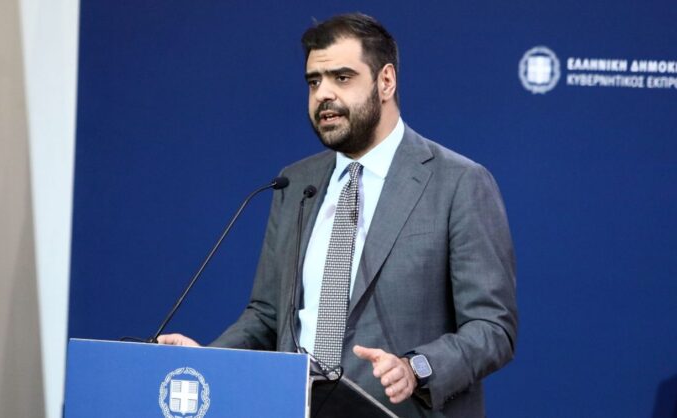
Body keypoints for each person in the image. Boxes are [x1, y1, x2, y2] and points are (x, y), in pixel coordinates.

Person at [159, 13, 517, 417]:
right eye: (314, 81)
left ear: (386, 81)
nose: (323, 94)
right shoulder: (295, 183)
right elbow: (268, 317)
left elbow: (492, 328)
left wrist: (416, 368)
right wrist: (210, 360)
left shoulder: (458, 182)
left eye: (342, 78)